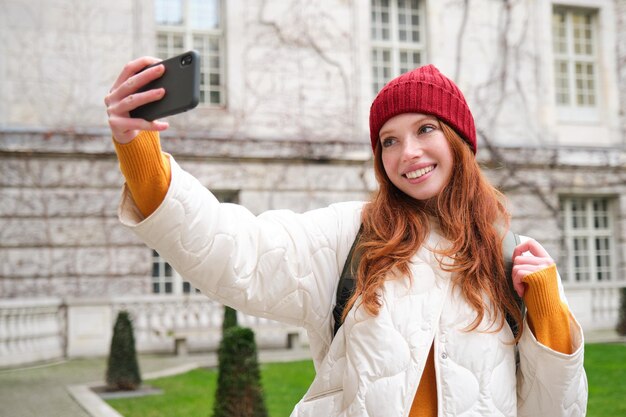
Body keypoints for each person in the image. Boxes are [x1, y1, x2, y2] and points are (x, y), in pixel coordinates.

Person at [105, 59, 588, 416]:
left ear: (458, 141)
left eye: (425, 129)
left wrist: (547, 311)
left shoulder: (512, 258)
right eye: (390, 140)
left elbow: (557, 409)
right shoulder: (350, 236)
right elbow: (237, 250)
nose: (408, 153)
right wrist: (139, 151)